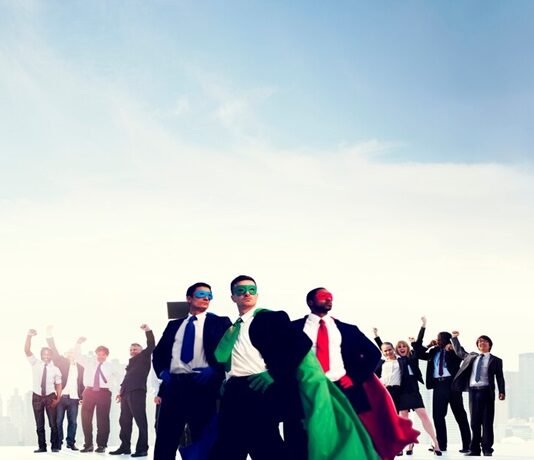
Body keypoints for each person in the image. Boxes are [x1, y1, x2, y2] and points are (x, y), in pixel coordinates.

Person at [293, 288, 419, 460]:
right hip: (307, 389)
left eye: (331, 297)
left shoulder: (347, 329)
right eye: (323, 297)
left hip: (342, 388)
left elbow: (373, 354)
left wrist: (353, 377)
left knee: (351, 435)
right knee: (305, 434)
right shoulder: (294, 328)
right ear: (310, 302)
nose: (329, 300)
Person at [209, 275, 312, 460]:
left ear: (257, 294)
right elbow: (224, 357)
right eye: (240, 291)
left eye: (251, 290)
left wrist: (274, 373)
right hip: (233, 392)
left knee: (266, 445)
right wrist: (226, 379)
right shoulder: (232, 329)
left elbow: (302, 344)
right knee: (228, 447)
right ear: (233, 297)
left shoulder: (270, 318)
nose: (247, 294)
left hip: (257, 388)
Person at [152, 282, 231, 460]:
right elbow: (158, 353)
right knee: (166, 437)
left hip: (203, 385)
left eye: (209, 296)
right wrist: (163, 374)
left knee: (203, 438)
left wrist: (215, 371)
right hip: (174, 386)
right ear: (189, 298)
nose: (206, 298)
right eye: (202, 294)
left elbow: (229, 350)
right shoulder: (174, 325)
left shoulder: (220, 322)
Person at [374, 327, 442, 456]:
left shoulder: (408, 359)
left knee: (423, 415)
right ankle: (406, 444)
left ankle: (435, 443)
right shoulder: (393, 361)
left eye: (402, 346)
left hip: (413, 391)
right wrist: (377, 337)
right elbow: (384, 350)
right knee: (403, 419)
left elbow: (417, 349)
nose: (400, 348)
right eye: (398, 346)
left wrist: (421, 331)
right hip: (400, 392)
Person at [412, 316, 471, 453]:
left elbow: (464, 355)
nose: (438, 341)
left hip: (452, 385)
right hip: (438, 386)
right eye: (437, 339)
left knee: (460, 415)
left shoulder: (454, 350)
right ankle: (441, 445)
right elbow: (418, 353)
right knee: (438, 416)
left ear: (447, 340)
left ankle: (467, 445)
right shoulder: (433, 352)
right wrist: (428, 344)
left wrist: (455, 342)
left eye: (440, 339)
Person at [451, 331, 505, 457]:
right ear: (477, 345)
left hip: (487, 392)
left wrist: (501, 391)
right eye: (480, 341)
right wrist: (454, 338)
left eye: (485, 341)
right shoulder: (471, 356)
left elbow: (500, 377)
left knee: (487, 421)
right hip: (473, 392)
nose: (482, 343)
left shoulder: (496, 360)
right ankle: (474, 449)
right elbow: (459, 351)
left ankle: (487, 449)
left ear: (489, 345)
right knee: (474, 422)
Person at [110, 324, 155, 458]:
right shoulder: (131, 363)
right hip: (125, 394)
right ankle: (125, 447)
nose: (133, 351)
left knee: (140, 421)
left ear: (141, 350)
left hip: (137, 392)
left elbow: (151, 344)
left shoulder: (144, 357)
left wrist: (148, 331)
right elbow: (127, 378)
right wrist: (120, 392)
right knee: (124, 421)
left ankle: (142, 449)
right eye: (131, 349)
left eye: (135, 349)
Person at [45, 325, 85, 451]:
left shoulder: (81, 367)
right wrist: (49, 332)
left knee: (73, 422)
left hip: (74, 398)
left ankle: (71, 443)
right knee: (58, 422)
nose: (70, 354)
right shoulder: (61, 362)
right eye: (68, 353)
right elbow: (53, 348)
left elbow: (82, 384)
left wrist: (82, 396)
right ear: (65, 354)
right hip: (61, 397)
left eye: (72, 353)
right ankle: (57, 443)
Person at [75, 338, 118, 453]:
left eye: (103, 355)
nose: (100, 357)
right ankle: (88, 445)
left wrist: (120, 391)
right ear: (96, 354)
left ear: (106, 355)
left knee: (103, 420)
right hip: (89, 392)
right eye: (98, 354)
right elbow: (77, 356)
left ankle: (102, 445)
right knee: (86, 419)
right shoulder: (89, 363)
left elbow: (119, 378)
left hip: (104, 393)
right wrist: (78, 343)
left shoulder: (111, 366)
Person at [24, 329, 62, 453]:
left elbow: (59, 384)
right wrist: (29, 336)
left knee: (53, 424)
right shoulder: (35, 363)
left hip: (50, 396)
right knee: (39, 425)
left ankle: (55, 446)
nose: (46, 356)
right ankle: (42, 446)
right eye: (44, 354)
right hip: (37, 397)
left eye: (48, 354)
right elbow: (27, 350)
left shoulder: (55, 369)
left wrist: (58, 398)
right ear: (41, 355)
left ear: (51, 355)